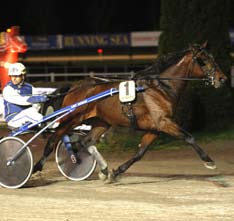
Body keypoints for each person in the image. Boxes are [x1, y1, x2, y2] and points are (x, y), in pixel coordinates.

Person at [3, 62, 48, 129]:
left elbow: (37, 105)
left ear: (23, 76)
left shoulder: (30, 87)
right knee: (29, 112)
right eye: (12, 76)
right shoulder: (7, 89)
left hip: (28, 116)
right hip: (13, 119)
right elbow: (22, 101)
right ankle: (48, 125)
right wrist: (37, 99)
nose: (14, 79)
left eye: (16, 76)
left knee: (32, 110)